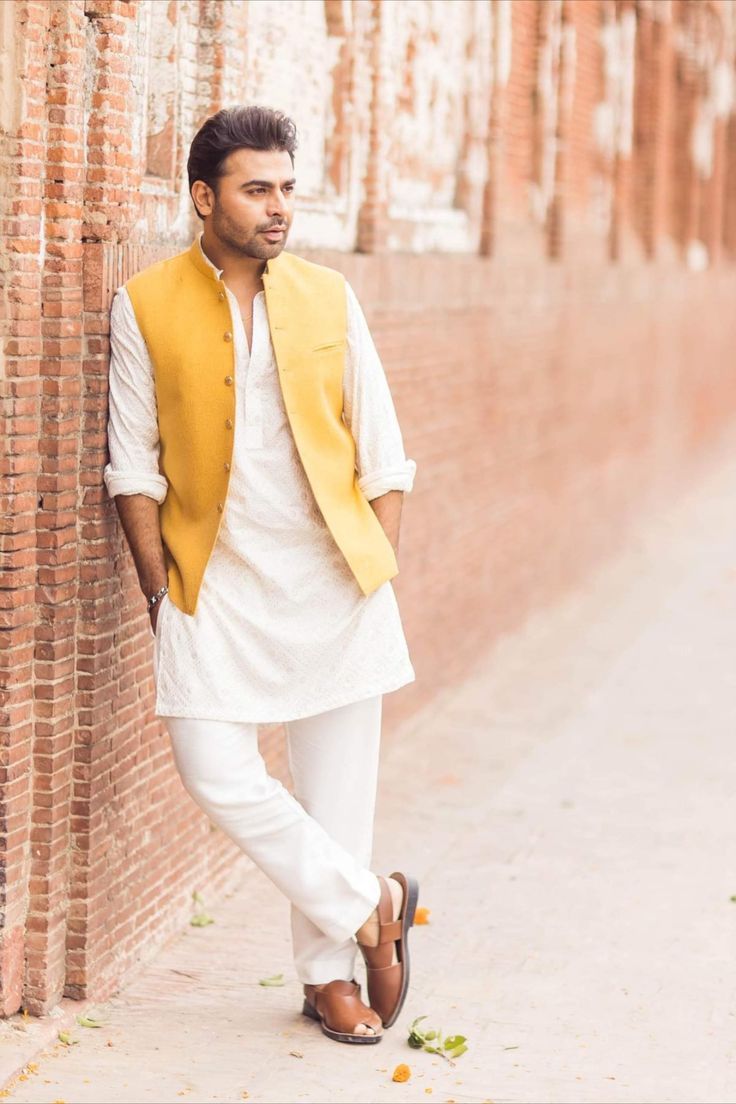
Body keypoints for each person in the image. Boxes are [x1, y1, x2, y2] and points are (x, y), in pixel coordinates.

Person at [103, 105, 419, 1044]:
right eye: (256, 189)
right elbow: (131, 469)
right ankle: (374, 905)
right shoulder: (145, 304)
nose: (278, 207)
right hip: (214, 588)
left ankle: (328, 979)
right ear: (204, 198)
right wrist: (162, 595)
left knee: (336, 794)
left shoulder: (329, 298)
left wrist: (372, 570)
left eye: (286, 188)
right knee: (213, 766)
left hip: (333, 584)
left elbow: (385, 454)